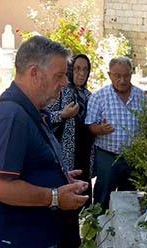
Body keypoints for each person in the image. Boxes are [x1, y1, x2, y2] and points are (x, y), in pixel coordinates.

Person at [0, 35, 89, 248]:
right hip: (20, 244)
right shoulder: (12, 113)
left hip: (28, 241)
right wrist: (55, 196)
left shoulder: (29, 110)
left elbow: (24, 166)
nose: (64, 83)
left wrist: (59, 176)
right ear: (34, 73)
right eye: (59, 75)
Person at [85, 56, 147, 211]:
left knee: (129, 201)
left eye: (126, 75)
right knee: (102, 199)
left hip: (133, 157)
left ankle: (124, 234)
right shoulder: (99, 96)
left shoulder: (140, 96)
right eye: (117, 76)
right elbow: (90, 124)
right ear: (109, 75)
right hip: (107, 156)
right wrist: (100, 129)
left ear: (131, 74)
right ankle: (98, 233)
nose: (122, 80)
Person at [46, 53, 95, 209]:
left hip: (85, 153)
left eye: (85, 70)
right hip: (66, 153)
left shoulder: (89, 96)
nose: (81, 73)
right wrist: (63, 114)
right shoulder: (59, 92)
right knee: (68, 195)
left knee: (85, 196)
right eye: (77, 69)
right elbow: (43, 118)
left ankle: (87, 230)